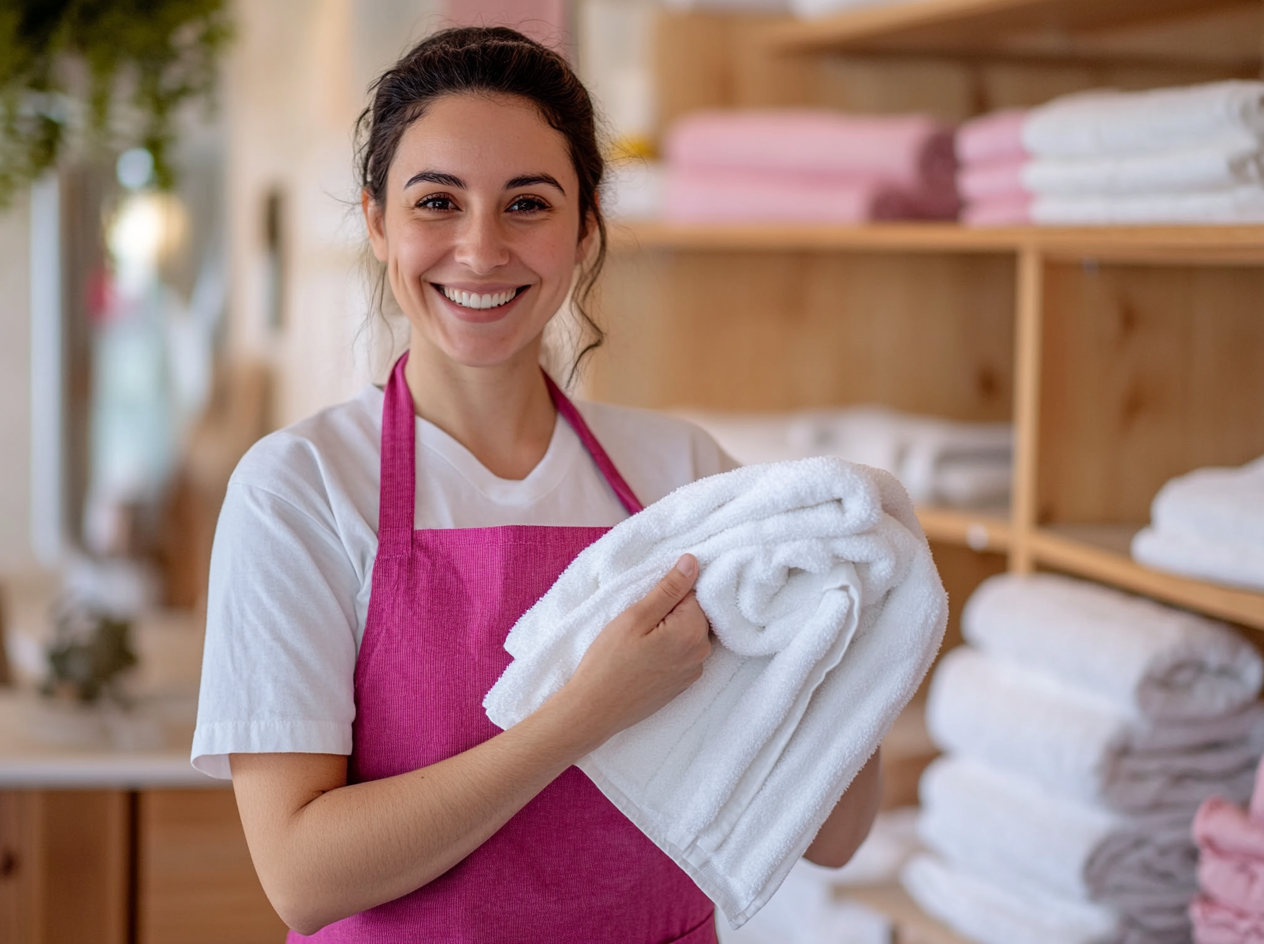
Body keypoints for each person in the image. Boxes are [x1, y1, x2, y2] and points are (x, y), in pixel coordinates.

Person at [192, 26, 881, 943]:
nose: (481, 250)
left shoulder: (684, 474)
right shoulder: (301, 488)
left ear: (584, 226)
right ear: (376, 221)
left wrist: (852, 626)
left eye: (528, 204)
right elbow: (302, 876)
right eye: (437, 201)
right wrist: (583, 714)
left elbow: (833, 836)